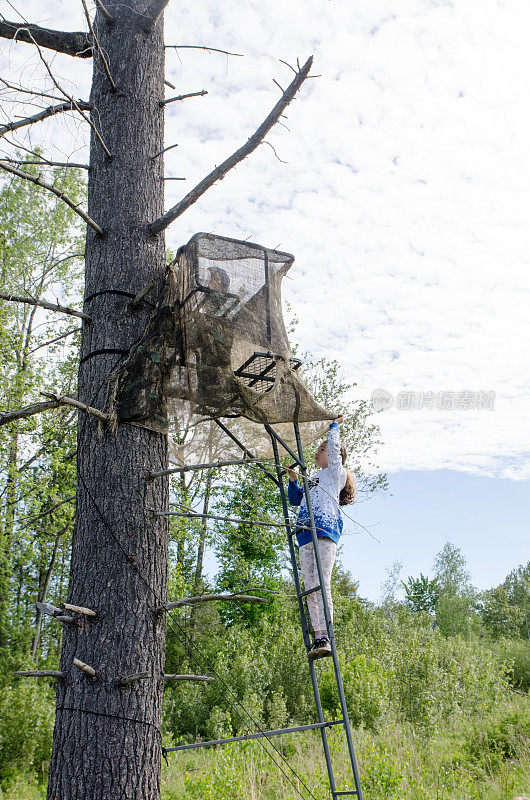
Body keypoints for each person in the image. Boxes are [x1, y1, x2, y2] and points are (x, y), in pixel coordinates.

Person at [287, 415, 355, 659]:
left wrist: (333, 428)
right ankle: (319, 637)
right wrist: (294, 480)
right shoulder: (313, 476)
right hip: (304, 533)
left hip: (325, 530)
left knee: (322, 582)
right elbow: (295, 500)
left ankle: (327, 632)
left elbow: (334, 449)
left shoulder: (336, 472)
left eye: (322, 448)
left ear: (335, 455)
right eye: (318, 448)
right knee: (310, 587)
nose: (318, 451)